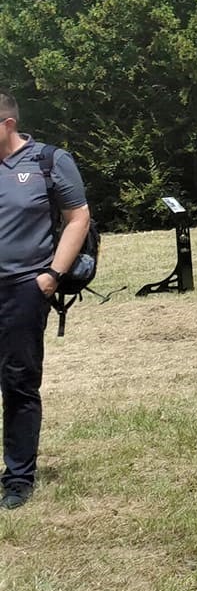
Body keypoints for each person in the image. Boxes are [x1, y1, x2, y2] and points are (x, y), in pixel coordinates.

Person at [0, 91, 90, 510]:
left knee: (18, 382)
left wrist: (51, 276)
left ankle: (17, 479)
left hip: (23, 288)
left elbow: (78, 218)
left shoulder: (47, 161)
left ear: (7, 125)